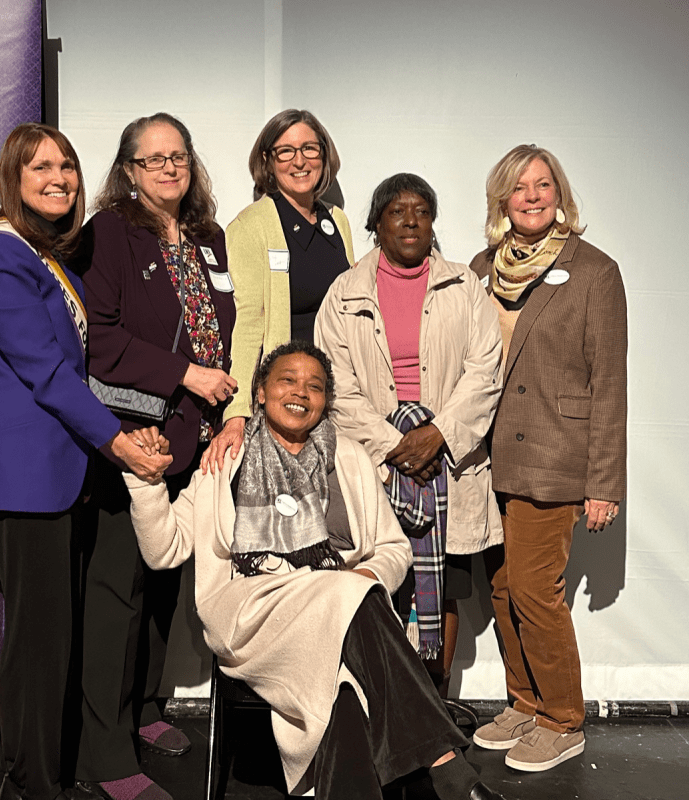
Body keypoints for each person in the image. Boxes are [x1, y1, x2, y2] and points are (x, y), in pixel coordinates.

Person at [122, 340, 506, 800]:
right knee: (348, 598)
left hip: (338, 612)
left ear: (326, 401)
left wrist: (368, 576)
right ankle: (444, 764)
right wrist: (146, 482)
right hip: (250, 609)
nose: (301, 392)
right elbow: (165, 551)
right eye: (287, 380)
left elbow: (393, 548)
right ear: (260, 392)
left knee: (346, 688)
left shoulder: (351, 459)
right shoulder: (225, 458)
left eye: (315, 386)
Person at [0, 122, 170, 800]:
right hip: (23, 480)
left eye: (69, 166)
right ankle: (29, 784)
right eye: (42, 167)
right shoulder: (2, 258)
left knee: (51, 643)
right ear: (13, 179)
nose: (60, 178)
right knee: (36, 649)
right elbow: (47, 375)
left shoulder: (40, 253)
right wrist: (119, 442)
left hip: (55, 476)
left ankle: (33, 776)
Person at [77, 112, 236, 800]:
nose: (169, 168)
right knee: (120, 594)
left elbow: (227, 329)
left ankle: (145, 710)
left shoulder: (208, 237)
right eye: (154, 159)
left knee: (167, 586)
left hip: (194, 440)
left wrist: (223, 413)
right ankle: (103, 754)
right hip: (132, 436)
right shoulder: (109, 233)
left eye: (179, 157)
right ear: (129, 171)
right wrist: (185, 375)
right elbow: (98, 339)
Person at [469, 144, 627, 772]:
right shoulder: (481, 268)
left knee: (536, 589)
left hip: (557, 456)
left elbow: (610, 383)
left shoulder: (593, 271)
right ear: (501, 200)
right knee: (503, 589)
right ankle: (526, 703)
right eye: (518, 187)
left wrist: (605, 483)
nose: (532, 196)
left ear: (559, 194)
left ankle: (564, 719)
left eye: (543, 185)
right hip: (487, 458)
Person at [315, 173, 503, 696]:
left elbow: (485, 369)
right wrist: (395, 443)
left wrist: (438, 434)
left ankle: (433, 703)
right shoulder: (345, 292)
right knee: (380, 580)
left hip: (449, 463)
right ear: (377, 224)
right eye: (397, 211)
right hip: (377, 461)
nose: (411, 220)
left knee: (441, 588)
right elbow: (334, 385)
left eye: (421, 210)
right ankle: (388, 707)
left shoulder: (464, 285)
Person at [202, 109, 354, 472]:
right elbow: (247, 324)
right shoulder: (251, 226)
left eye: (309, 149)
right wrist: (236, 413)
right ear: (268, 162)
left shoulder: (339, 220)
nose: (299, 161)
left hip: (338, 396)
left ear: (324, 155)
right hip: (288, 403)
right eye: (285, 151)